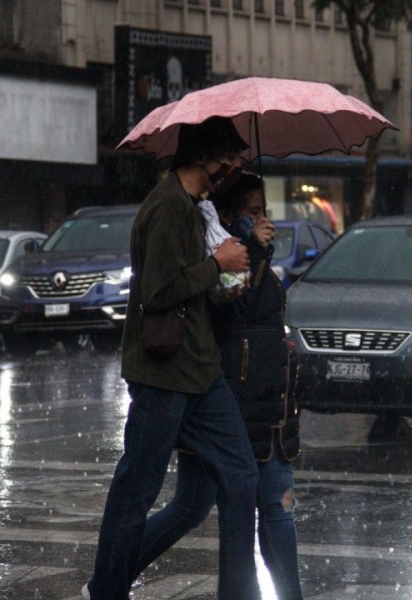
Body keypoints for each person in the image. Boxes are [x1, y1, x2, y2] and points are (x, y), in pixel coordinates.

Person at [82, 117, 261, 600]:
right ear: (204, 156)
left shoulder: (195, 207)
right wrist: (214, 266)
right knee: (135, 493)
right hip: (163, 373)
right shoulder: (166, 208)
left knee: (241, 478)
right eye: (229, 157)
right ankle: (107, 591)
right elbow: (159, 291)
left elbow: (193, 289)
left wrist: (227, 279)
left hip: (200, 373)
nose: (234, 167)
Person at [134, 172, 304, 599]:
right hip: (231, 398)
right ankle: (110, 575)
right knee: (190, 507)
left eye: (265, 211)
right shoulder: (223, 256)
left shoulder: (248, 255)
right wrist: (253, 250)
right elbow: (238, 305)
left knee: (276, 511)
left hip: (271, 404)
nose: (262, 220)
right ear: (228, 216)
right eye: (252, 212)